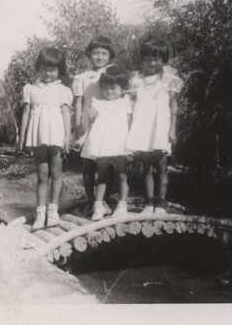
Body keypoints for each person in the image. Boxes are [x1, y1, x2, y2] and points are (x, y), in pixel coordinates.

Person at [125, 36, 183, 214]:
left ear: (163, 60)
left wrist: (172, 129)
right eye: (148, 58)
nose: (152, 62)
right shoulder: (136, 81)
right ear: (142, 59)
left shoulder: (168, 80)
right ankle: (149, 202)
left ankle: (161, 203)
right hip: (143, 126)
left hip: (160, 127)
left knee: (162, 166)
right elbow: (131, 106)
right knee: (146, 167)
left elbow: (173, 106)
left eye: (156, 59)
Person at [18, 47, 73, 230]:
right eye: (44, 68)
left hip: (56, 135)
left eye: (53, 69)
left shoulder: (63, 90)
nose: (48, 73)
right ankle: (40, 213)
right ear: (38, 68)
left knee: (56, 173)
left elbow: (66, 113)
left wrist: (67, 136)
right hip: (38, 135)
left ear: (59, 70)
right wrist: (22, 136)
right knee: (42, 175)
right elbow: (26, 113)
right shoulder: (30, 89)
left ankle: (53, 211)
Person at [74, 67, 132, 220]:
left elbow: (129, 123)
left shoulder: (125, 103)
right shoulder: (98, 104)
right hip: (102, 143)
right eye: (106, 88)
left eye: (113, 88)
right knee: (102, 174)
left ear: (122, 88)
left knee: (122, 174)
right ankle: (98, 206)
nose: (109, 91)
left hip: (120, 143)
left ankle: (122, 205)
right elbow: (93, 124)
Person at [72, 36, 115, 210]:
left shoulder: (112, 73)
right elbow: (78, 102)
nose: (99, 57)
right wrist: (77, 124)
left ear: (110, 55)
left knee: (108, 160)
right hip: (88, 121)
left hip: (108, 121)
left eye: (104, 53)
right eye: (95, 53)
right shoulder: (81, 77)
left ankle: (105, 198)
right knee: (89, 162)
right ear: (89, 55)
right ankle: (91, 199)